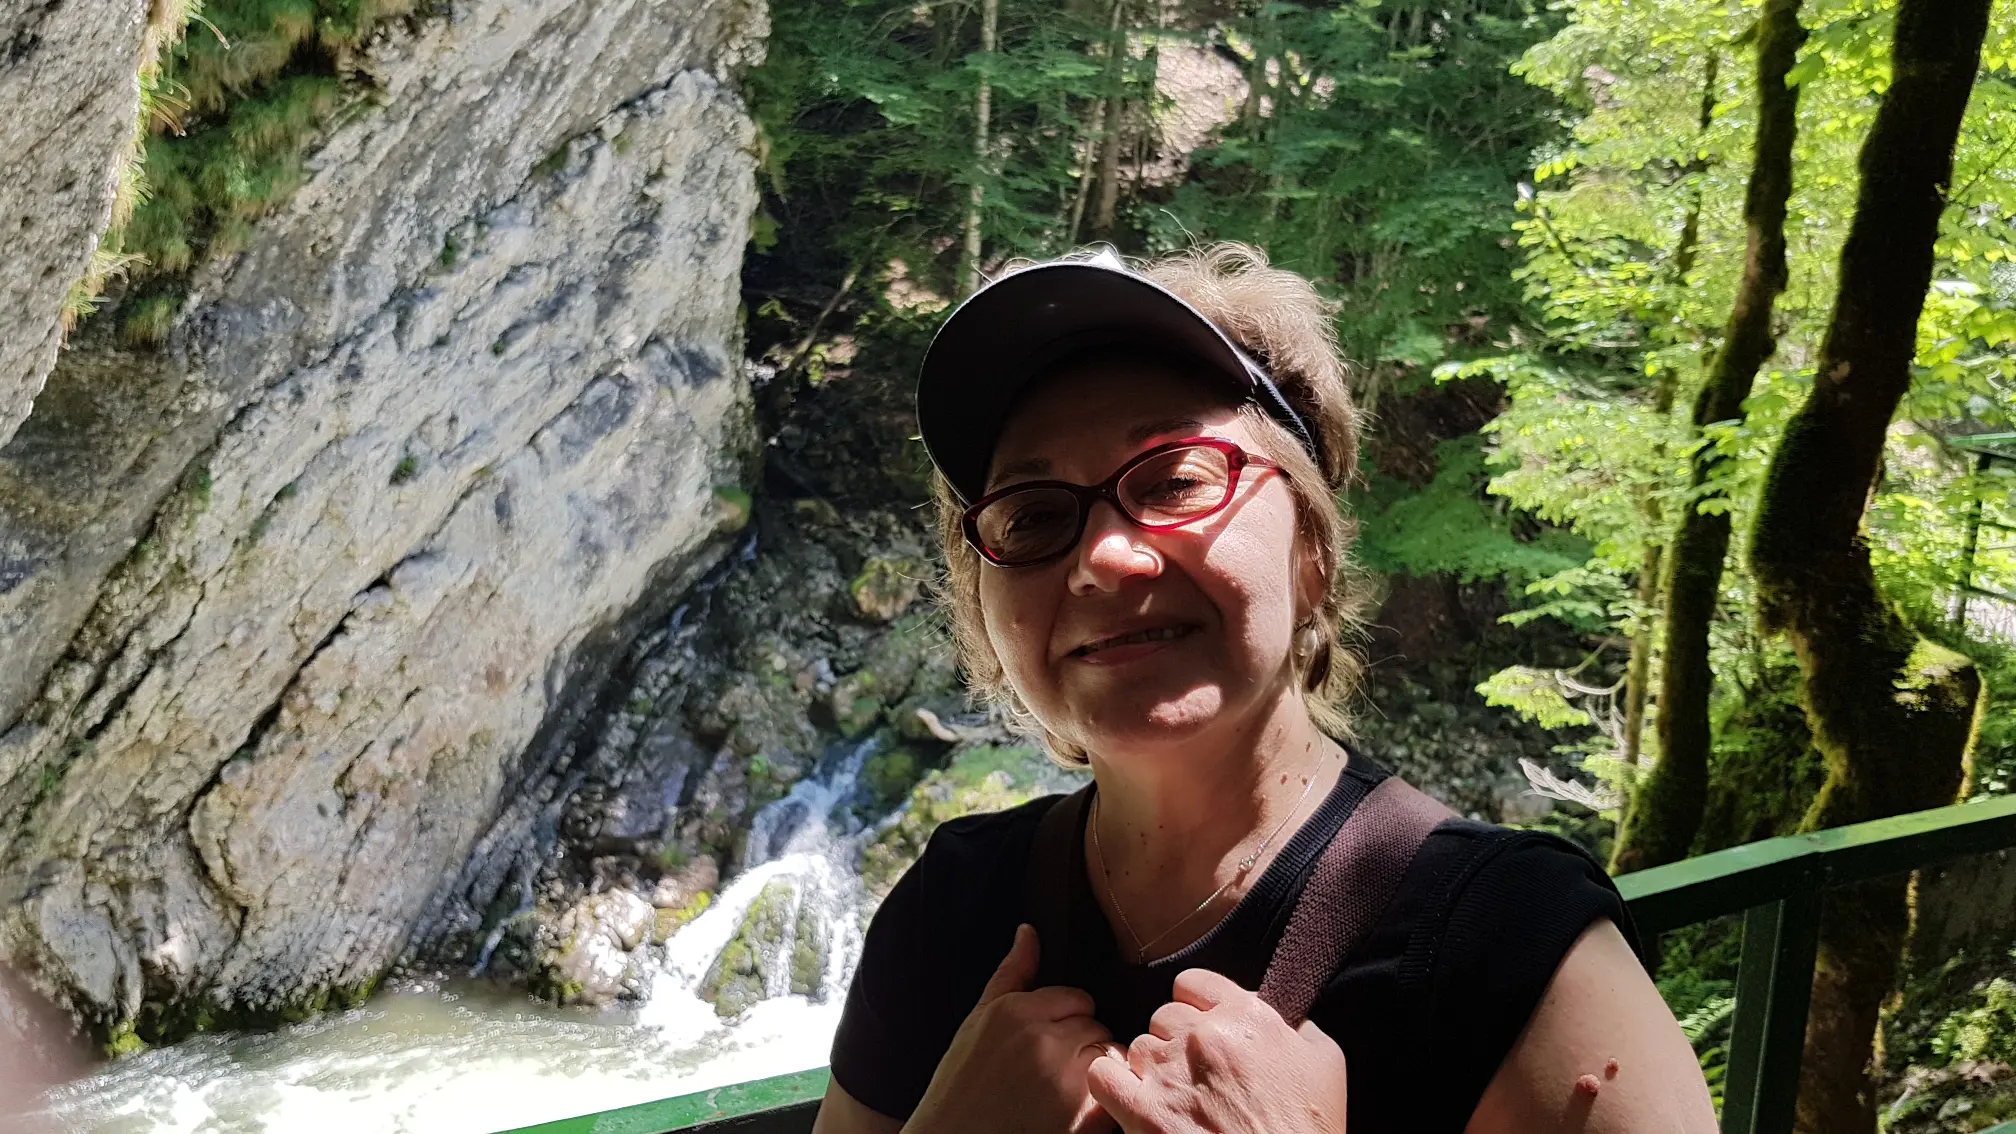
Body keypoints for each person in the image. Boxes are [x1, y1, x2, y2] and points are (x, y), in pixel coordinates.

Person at [811, 244, 1715, 1134]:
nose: (1105, 558)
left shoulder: (1518, 949)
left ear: (1312, 551)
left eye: (1175, 481)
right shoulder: (949, 909)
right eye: (1034, 516)